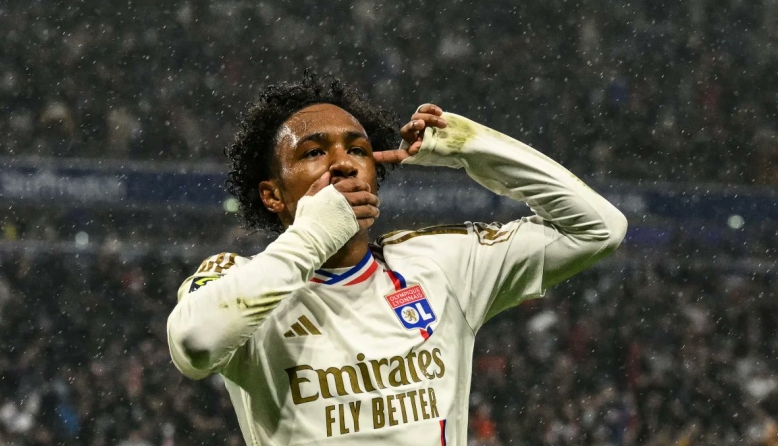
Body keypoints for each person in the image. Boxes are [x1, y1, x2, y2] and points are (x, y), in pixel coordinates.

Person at [167, 72, 628, 445]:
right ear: (272, 195)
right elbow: (195, 345)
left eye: (358, 149)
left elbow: (598, 229)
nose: (343, 163)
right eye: (314, 152)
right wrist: (314, 234)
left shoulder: (438, 264)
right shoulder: (239, 280)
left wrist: (472, 148)